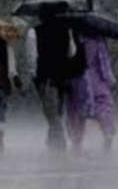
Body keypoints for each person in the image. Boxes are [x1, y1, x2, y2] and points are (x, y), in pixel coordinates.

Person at [25, 13, 87, 152]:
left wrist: (33, 74)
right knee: (57, 112)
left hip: (45, 77)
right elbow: (72, 52)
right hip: (62, 77)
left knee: (51, 114)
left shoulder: (34, 32)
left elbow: (31, 55)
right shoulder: (66, 30)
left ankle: (58, 146)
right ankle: (52, 143)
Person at [64, 34, 117, 154]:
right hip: (96, 81)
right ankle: (107, 132)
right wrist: (110, 79)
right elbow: (103, 63)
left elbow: (65, 60)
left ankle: (76, 142)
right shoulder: (97, 39)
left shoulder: (70, 37)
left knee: (76, 112)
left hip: (76, 79)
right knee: (104, 108)